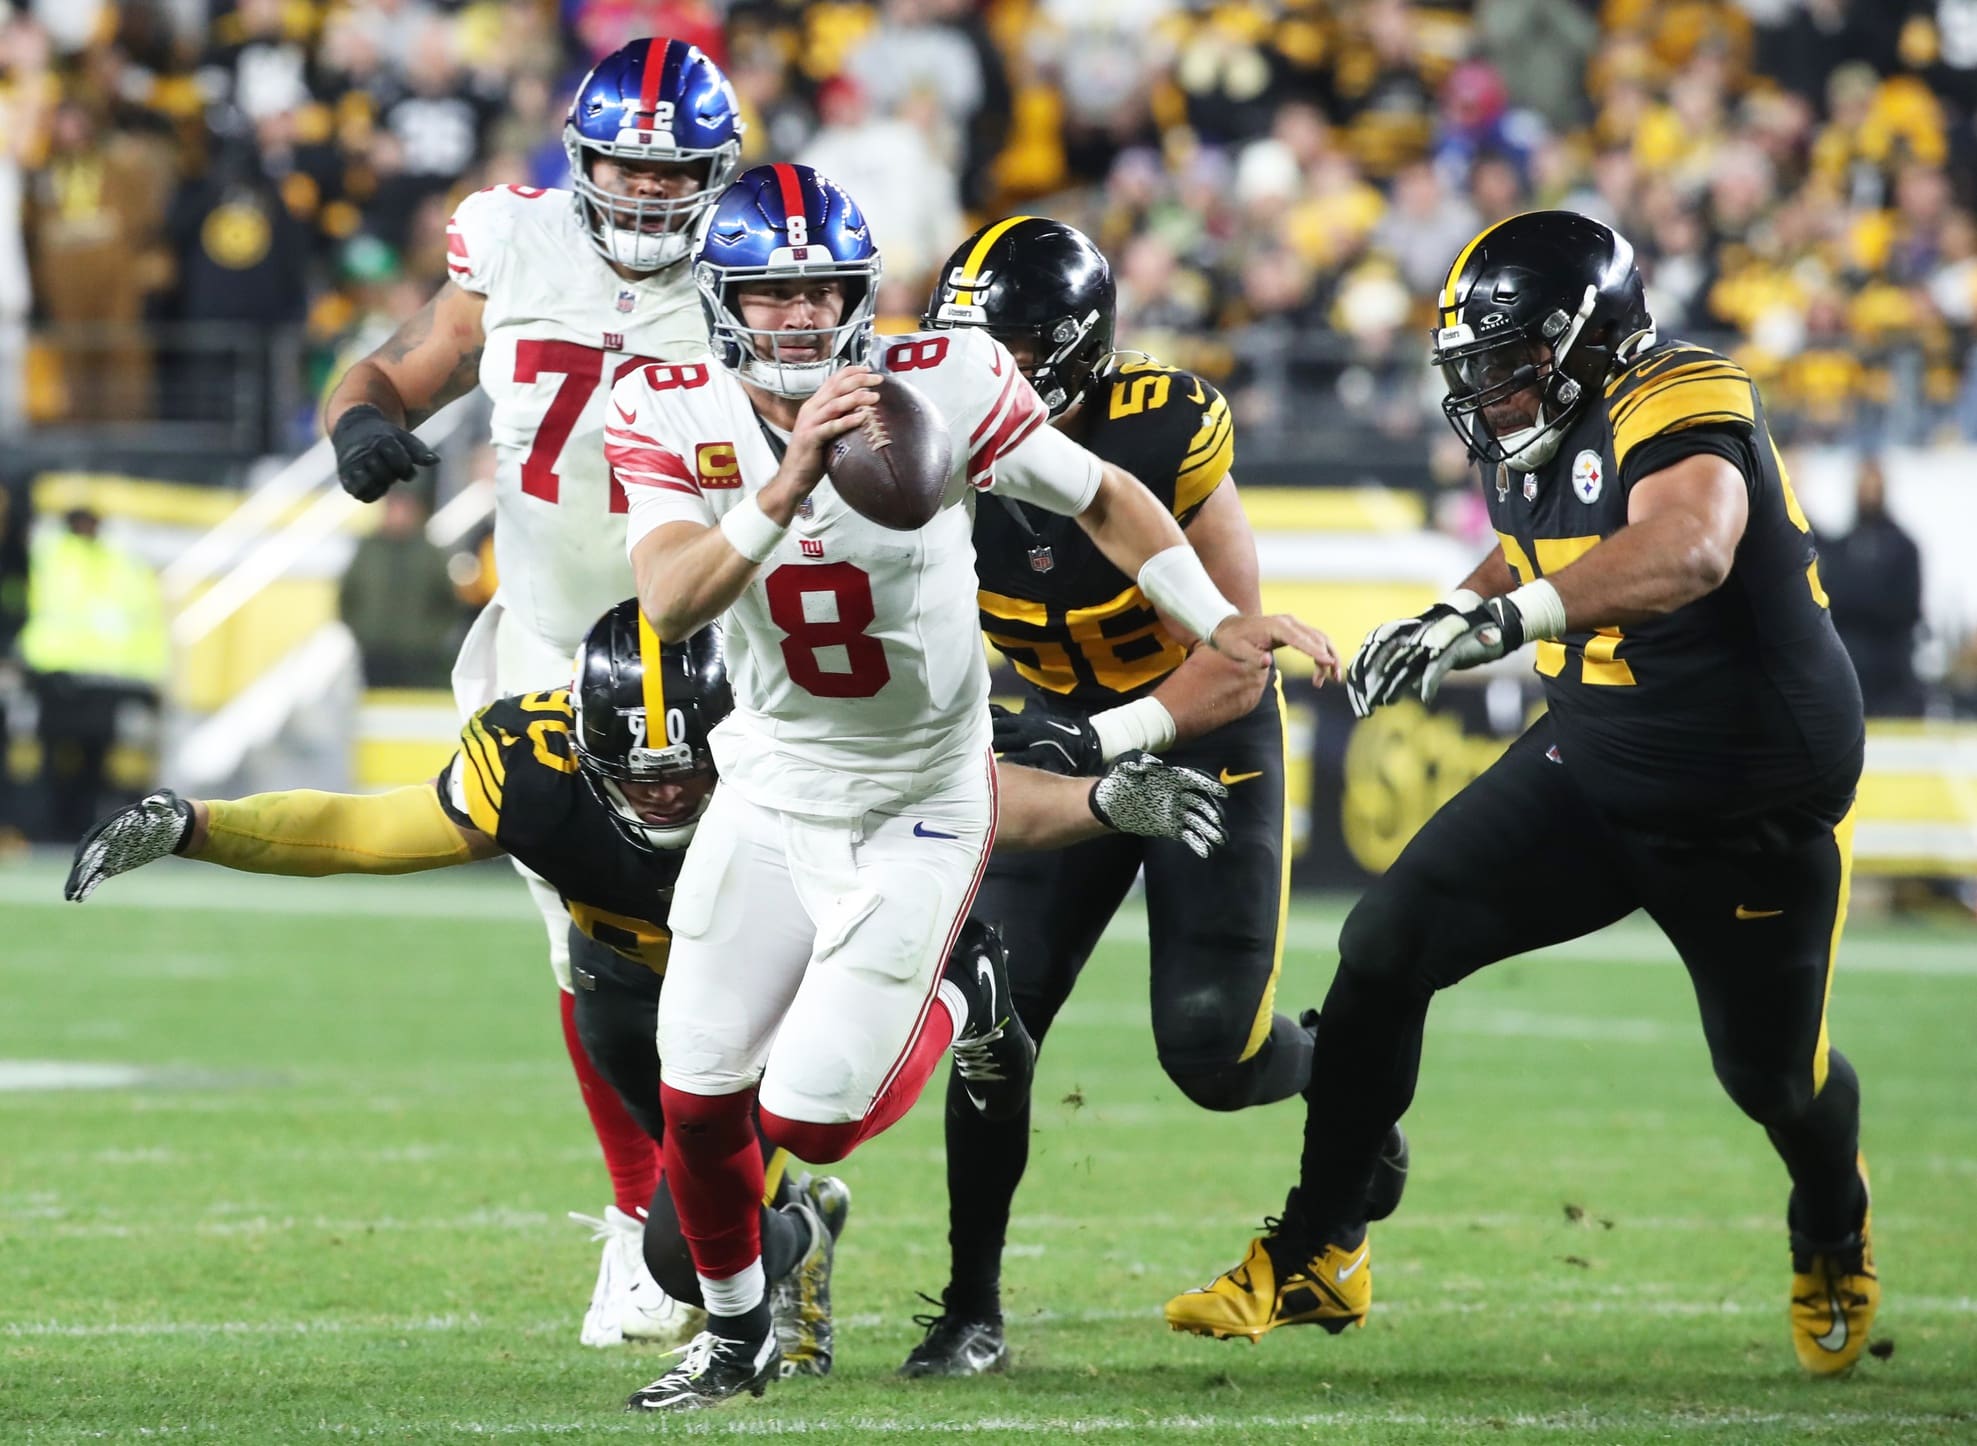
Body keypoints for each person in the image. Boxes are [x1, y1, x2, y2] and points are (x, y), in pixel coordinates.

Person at [606, 162, 1338, 1410]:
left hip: (923, 788)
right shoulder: (666, 402)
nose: (795, 319)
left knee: (821, 1118)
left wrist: (1216, 622)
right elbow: (672, 602)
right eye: (769, 296)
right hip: (776, 785)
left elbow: (1105, 495)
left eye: (820, 292)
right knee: (697, 1083)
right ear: (722, 300)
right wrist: (783, 485)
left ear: (859, 295)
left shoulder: (944, 378)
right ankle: (738, 1342)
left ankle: (968, 999)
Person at [64, 599, 1232, 1377]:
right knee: (685, 1260)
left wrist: (1089, 804)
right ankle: (800, 1239)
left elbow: (972, 791)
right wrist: (197, 824)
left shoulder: (800, 737)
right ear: (582, 740)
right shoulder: (528, 763)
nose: (667, 795)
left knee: (813, 1124)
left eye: (691, 772)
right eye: (641, 770)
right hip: (640, 994)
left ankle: (957, 992)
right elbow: (362, 830)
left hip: (800, 959)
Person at [1162, 212, 1879, 1378]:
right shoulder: (1532, 432)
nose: (1491, 393)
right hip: (1596, 762)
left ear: (1589, 339)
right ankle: (1319, 1249)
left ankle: (1832, 1217)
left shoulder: (1680, 392)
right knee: (1385, 943)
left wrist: (1503, 620)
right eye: (1476, 370)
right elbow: (1537, 545)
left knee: (1773, 1078)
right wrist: (1458, 609)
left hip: (1744, 798)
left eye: (1510, 363)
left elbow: (1688, 546)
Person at [897, 216, 1407, 1376]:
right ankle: (971, 1308)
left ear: (1078, 347)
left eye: (1016, 343)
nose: (989, 369)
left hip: (1195, 733)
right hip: (1057, 739)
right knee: (994, 1023)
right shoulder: (915, 432)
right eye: (970, 341)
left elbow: (1235, 651)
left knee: (1208, 1049)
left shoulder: (1161, 426)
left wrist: (1098, 739)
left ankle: (1348, 1079)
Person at [320, 37, 745, 1346]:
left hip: (724, 651)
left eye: (672, 176)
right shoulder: (507, 240)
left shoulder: (760, 269)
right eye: (620, 166)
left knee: (744, 935)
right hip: (557, 655)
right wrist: (359, 421)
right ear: (580, 158)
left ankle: (737, 1188)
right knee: (588, 944)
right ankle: (644, 1223)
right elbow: (403, 358)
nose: (643, 197)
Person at [17, 506, 168, 844]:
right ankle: (48, 831)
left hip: (105, 678)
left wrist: (146, 677)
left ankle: (79, 830)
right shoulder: (47, 553)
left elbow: (141, 619)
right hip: (56, 673)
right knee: (54, 758)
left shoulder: (117, 561)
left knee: (95, 760)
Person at [1818, 455, 1925, 718]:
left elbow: (1906, 608)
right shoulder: (1841, 546)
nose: (1867, 493)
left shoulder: (1904, 547)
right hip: (1848, 670)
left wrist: (1855, 597)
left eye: (1872, 486)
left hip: (1891, 673)